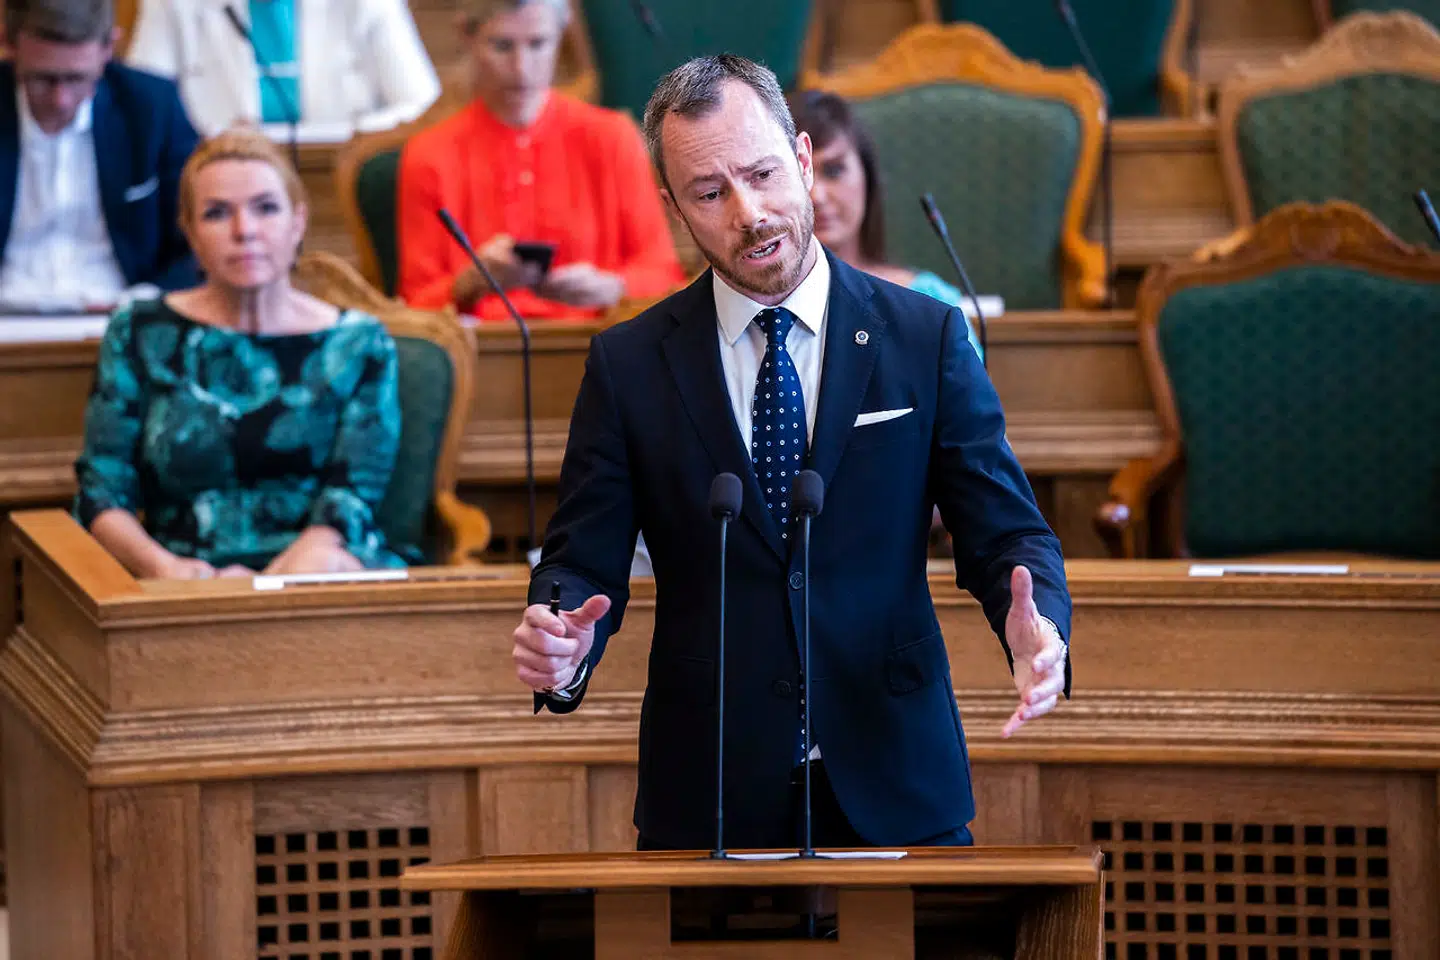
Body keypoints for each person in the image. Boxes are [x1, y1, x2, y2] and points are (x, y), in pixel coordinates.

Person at [511, 56, 1072, 850]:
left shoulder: (925, 337)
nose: (749, 214)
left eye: (764, 174)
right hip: (706, 786)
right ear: (673, 207)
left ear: (803, 160)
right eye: (710, 193)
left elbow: (1007, 534)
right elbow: (583, 562)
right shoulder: (628, 365)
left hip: (896, 769)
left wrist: (1038, 626)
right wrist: (562, 638)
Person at [75, 126, 407, 579]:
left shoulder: (359, 343)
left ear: (298, 222)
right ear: (190, 233)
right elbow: (103, 488)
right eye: (216, 213)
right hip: (177, 575)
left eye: (266, 208)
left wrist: (267, 588)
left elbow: (351, 496)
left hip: (319, 571)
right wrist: (165, 569)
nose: (244, 230)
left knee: (329, 568)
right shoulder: (138, 331)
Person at [397, 0, 684, 321]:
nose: (522, 67)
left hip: (595, 341)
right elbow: (416, 304)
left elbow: (664, 274)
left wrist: (612, 287)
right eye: (502, 45)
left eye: (538, 44)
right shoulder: (429, 154)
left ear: (560, 36)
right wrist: (471, 283)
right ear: (467, 36)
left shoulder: (612, 137)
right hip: (484, 352)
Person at [0, 0, 198, 313]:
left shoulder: (151, 107)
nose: (61, 100)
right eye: (42, 79)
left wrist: (147, 301)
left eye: (77, 78)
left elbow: (199, 238)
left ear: (108, 48)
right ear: (7, 45)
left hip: (120, 315)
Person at [791, 89, 983, 361]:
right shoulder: (759, 309)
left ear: (867, 176)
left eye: (834, 171)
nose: (816, 195)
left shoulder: (929, 300)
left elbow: (969, 402)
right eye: (800, 175)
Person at [125, 0, 440, 136]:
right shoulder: (172, 4)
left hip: (333, 183)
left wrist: (356, 133)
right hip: (219, 183)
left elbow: (423, 107)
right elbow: (140, 109)